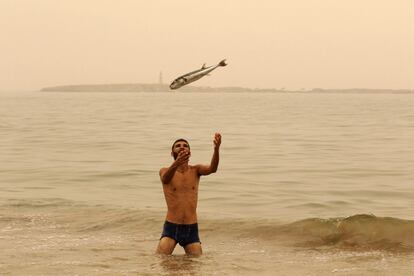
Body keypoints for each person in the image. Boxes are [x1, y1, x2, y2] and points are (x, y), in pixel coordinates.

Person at [156, 133, 222, 256]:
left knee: (196, 266)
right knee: (161, 261)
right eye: (178, 146)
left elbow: (213, 168)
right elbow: (165, 179)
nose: (182, 147)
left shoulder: (196, 170)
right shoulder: (164, 171)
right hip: (172, 227)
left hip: (191, 227)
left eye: (185, 146)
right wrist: (176, 163)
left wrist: (216, 149)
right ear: (172, 153)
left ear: (190, 152)